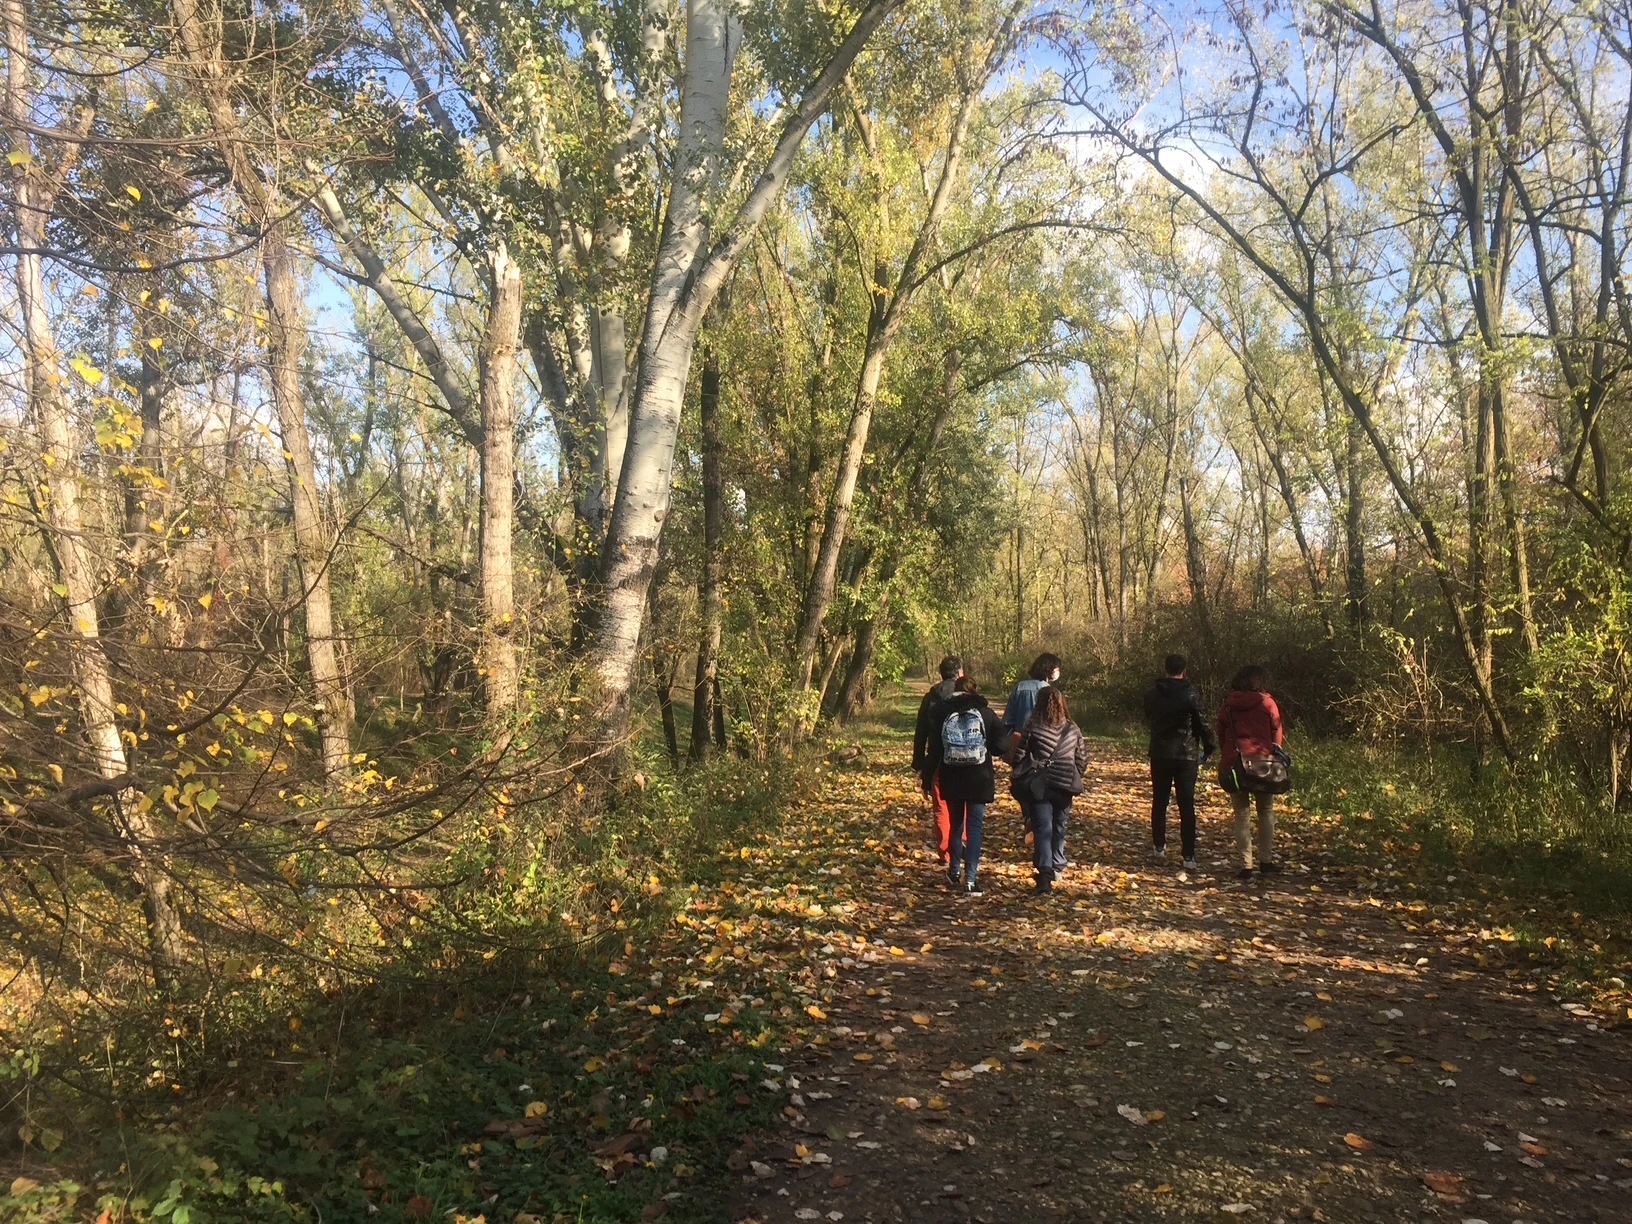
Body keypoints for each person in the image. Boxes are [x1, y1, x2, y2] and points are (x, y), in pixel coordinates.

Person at [923, 675, 1002, 895]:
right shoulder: (985, 713)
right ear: (974, 691)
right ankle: (971, 880)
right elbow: (1001, 745)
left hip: (951, 776)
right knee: (974, 827)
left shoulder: (942, 713)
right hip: (979, 778)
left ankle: (954, 871)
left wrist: (927, 779)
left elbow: (934, 750)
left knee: (956, 825)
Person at [1143, 653, 1217, 871]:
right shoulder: (1191, 695)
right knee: (1186, 804)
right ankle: (1188, 855)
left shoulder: (1152, 694)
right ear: (1184, 671)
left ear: (1165, 669)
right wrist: (1209, 748)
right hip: (1186, 754)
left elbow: (1149, 717)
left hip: (1160, 752)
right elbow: (1203, 724)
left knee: (1160, 800)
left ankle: (1159, 845)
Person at [1012, 686, 1088, 894]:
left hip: (1041, 784)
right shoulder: (1073, 728)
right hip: (1065, 784)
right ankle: (1058, 864)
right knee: (1059, 825)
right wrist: (1073, 775)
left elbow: (1019, 755)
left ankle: (1044, 874)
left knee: (1042, 827)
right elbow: (1082, 759)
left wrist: (1022, 772)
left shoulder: (1033, 726)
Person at [1216, 664, 1285, 879]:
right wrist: (1273, 751)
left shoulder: (1229, 704)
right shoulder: (1267, 703)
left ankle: (1246, 865)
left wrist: (1227, 753)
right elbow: (1277, 731)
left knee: (1241, 814)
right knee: (1265, 811)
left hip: (1235, 763)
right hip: (1263, 762)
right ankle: (1266, 861)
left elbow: (1221, 732)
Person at [912, 655, 963, 864]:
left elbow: (921, 732)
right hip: (965, 759)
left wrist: (919, 763)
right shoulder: (967, 695)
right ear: (960, 672)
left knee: (941, 806)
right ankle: (962, 844)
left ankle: (945, 852)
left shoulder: (931, 696)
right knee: (963, 803)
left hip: (937, 758)